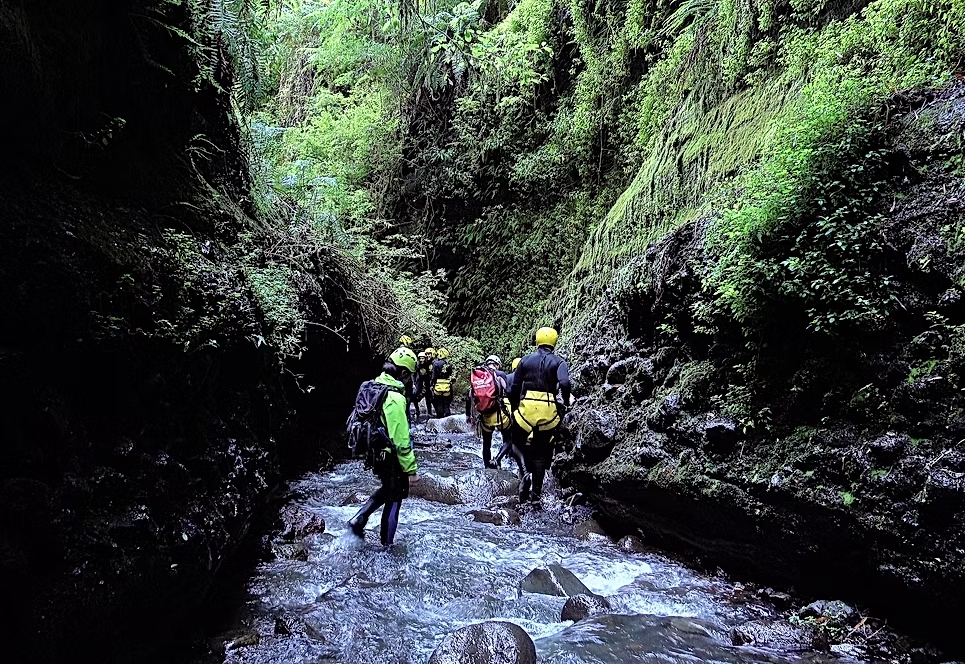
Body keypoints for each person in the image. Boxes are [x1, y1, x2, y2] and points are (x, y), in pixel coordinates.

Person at [348, 347, 420, 546]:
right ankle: (387, 546)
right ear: (404, 373)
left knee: (388, 488)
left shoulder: (372, 386)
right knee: (396, 495)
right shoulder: (395, 397)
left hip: (373, 453)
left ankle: (360, 518)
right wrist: (411, 469)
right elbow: (401, 440)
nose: (410, 380)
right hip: (389, 455)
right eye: (410, 375)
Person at [509, 327, 571, 504]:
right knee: (541, 454)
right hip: (548, 413)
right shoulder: (559, 362)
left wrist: (515, 408)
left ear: (537, 341)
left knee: (517, 444)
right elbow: (565, 383)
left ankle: (524, 472)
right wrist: (565, 402)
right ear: (554, 342)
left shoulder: (525, 360)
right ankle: (536, 495)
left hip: (525, 410)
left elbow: (515, 387)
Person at [466, 355, 511, 468]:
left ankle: (487, 467)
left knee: (486, 444)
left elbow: (469, 397)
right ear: (497, 364)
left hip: (485, 417)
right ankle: (500, 459)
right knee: (509, 438)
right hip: (500, 415)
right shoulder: (499, 375)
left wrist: (468, 415)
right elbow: (509, 391)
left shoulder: (478, 376)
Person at [493, 357, 523, 470]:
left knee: (506, 436)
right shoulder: (523, 378)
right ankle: (499, 458)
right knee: (513, 437)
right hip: (515, 410)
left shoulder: (507, 376)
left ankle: (508, 455)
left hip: (502, 410)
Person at [431, 347, 454, 417]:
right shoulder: (449, 364)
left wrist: (432, 384)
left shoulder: (435, 364)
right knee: (446, 404)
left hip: (438, 386)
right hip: (447, 386)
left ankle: (440, 418)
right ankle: (447, 418)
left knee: (439, 403)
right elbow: (452, 376)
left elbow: (434, 376)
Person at [417, 349, 435, 419]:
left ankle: (430, 412)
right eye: (420, 358)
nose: (422, 360)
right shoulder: (418, 365)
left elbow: (430, 374)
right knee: (416, 397)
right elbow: (415, 374)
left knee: (429, 398)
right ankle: (417, 411)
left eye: (423, 358)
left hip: (427, 383)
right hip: (420, 383)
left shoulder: (428, 364)